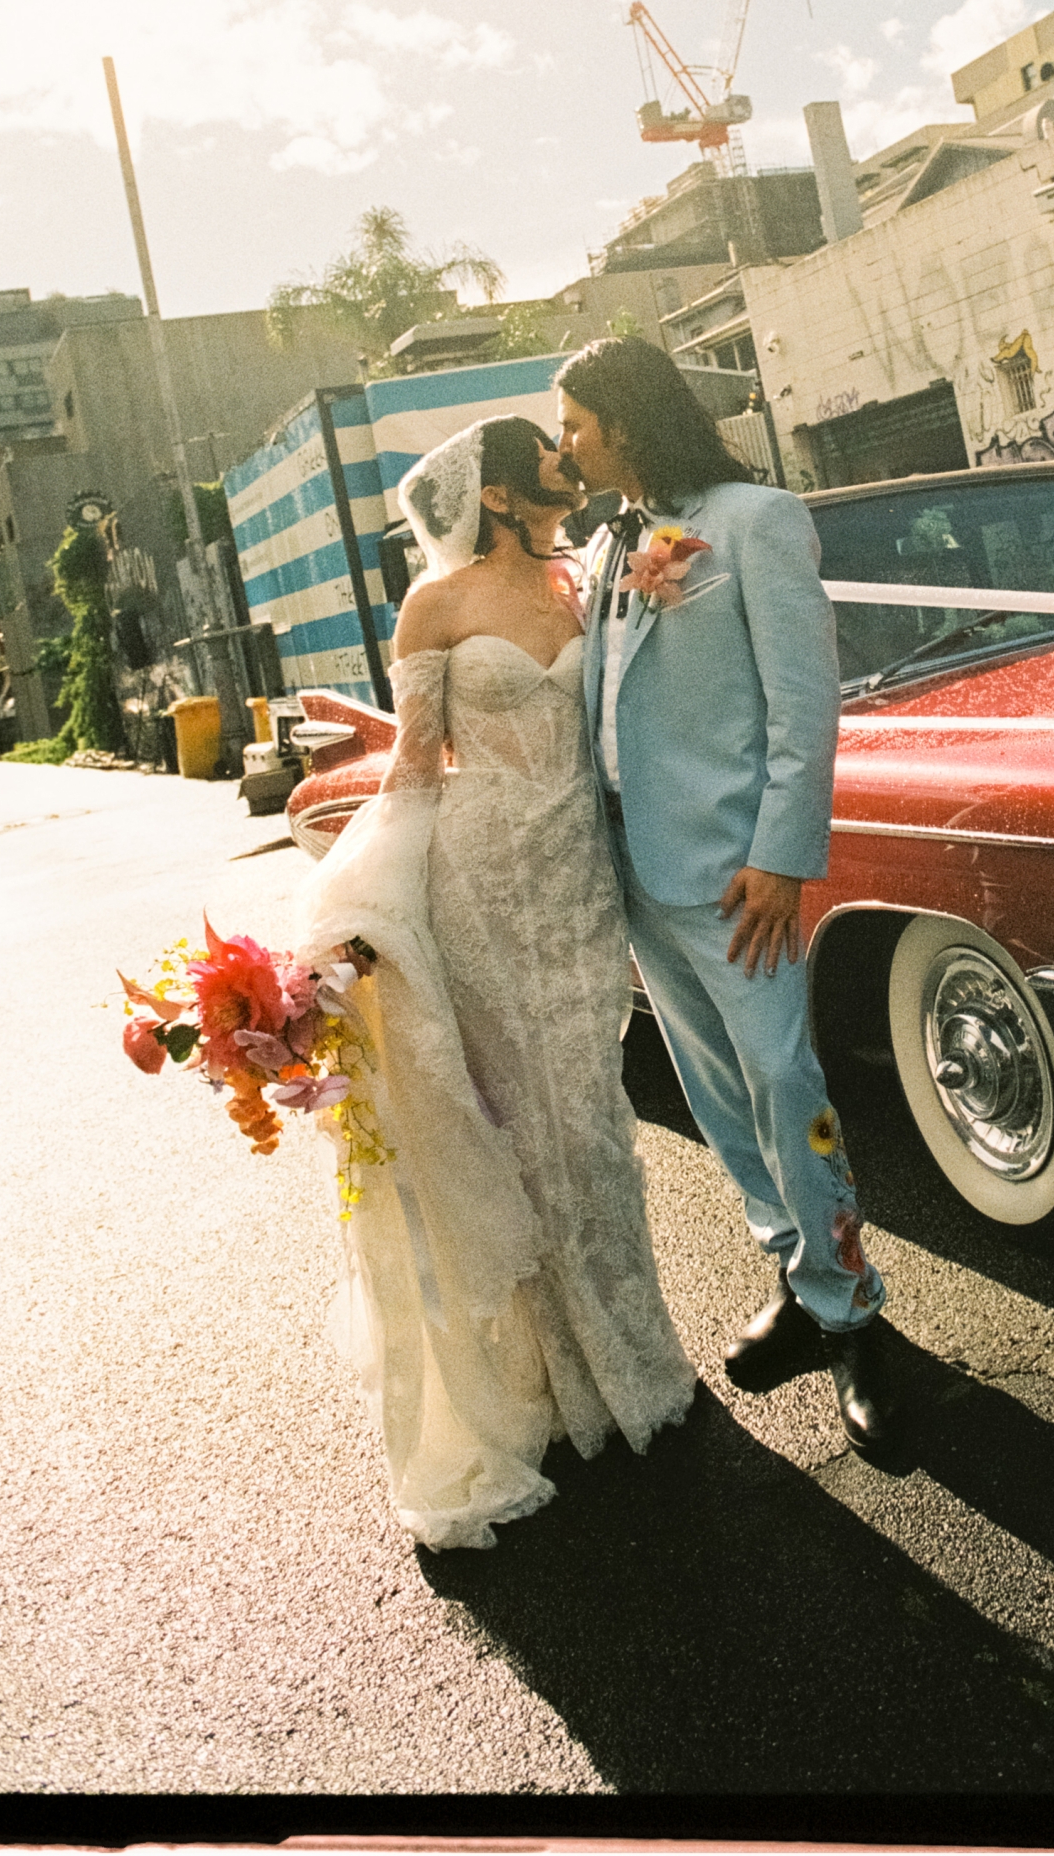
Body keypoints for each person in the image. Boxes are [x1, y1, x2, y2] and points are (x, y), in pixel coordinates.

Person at [294, 413, 697, 1550]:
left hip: (578, 884)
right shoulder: (435, 605)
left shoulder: (587, 582)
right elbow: (417, 764)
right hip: (480, 885)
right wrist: (366, 913)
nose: (570, 463)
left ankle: (637, 1360)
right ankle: (557, 1387)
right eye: (550, 457)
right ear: (504, 494)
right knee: (524, 1129)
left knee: (596, 1123)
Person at [556, 337, 902, 1455]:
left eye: (575, 423)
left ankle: (855, 1313)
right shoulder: (606, 543)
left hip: (735, 874)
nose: (566, 444)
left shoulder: (756, 520)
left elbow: (804, 704)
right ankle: (798, 1278)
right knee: (714, 1097)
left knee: (784, 1082)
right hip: (636, 871)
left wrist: (781, 856)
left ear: (624, 419)